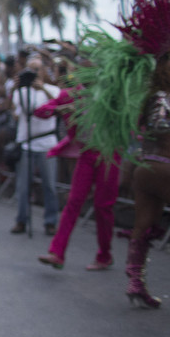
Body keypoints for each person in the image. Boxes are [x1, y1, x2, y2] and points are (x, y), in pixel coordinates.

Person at [74, 0, 170, 308]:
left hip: (145, 167)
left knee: (144, 225)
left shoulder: (144, 94)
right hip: (166, 166)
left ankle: (135, 280)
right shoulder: (161, 97)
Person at [36, 82, 120, 271]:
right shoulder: (71, 94)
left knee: (103, 205)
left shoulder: (114, 90)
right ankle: (57, 252)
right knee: (73, 201)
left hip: (109, 154)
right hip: (87, 154)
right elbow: (41, 111)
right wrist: (61, 108)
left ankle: (104, 255)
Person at [10, 58, 60, 235]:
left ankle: (50, 222)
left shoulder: (52, 89)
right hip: (27, 144)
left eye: (38, 69)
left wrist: (43, 88)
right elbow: (17, 114)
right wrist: (15, 89)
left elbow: (59, 106)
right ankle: (21, 220)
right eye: (31, 70)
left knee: (50, 186)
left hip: (47, 143)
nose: (35, 73)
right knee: (23, 186)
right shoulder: (21, 91)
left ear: (44, 71)